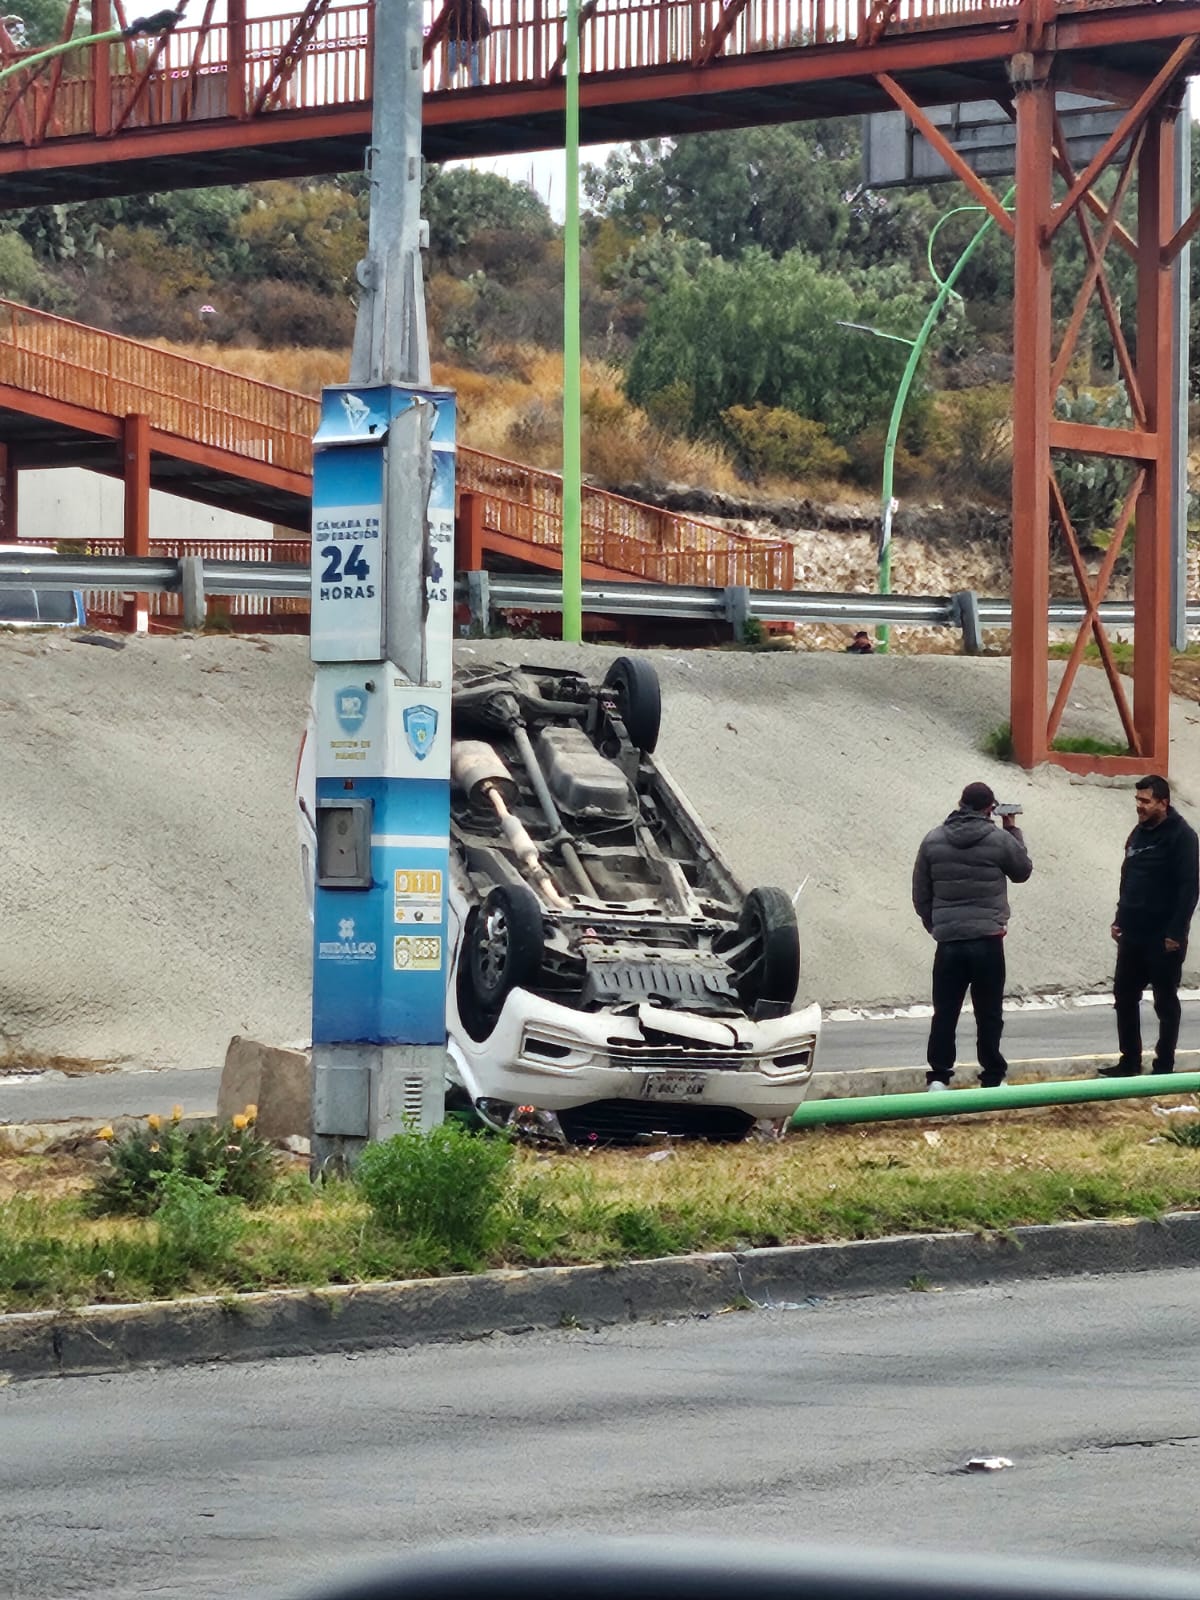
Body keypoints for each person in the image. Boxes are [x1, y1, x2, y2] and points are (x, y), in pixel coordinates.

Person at [912, 781, 1032, 1091]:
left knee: (945, 1012)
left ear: (960, 803)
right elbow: (1022, 871)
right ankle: (992, 1076)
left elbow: (921, 893)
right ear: (991, 809)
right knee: (989, 1012)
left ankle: (939, 1077)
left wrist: (935, 924)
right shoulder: (998, 839)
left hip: (949, 940)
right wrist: (1012, 830)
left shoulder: (933, 840)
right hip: (988, 939)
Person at [1099, 774, 1198, 1078]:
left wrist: (1176, 932)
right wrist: (1119, 918)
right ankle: (1129, 1062)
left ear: (1163, 803)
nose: (1139, 806)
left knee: (1164, 1001)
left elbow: (1189, 888)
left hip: (1163, 936)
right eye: (1137, 800)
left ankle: (1163, 1065)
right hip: (1132, 933)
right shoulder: (1138, 834)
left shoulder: (1182, 837)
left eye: (1145, 801)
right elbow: (1127, 879)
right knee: (1124, 997)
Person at [439, 0, 491, 89]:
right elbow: (486, 31)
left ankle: (440, 93)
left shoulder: (454, 9)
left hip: (456, 44)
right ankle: (478, 93)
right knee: (475, 78)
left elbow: (446, 27)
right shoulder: (479, 10)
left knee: (448, 73)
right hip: (471, 45)